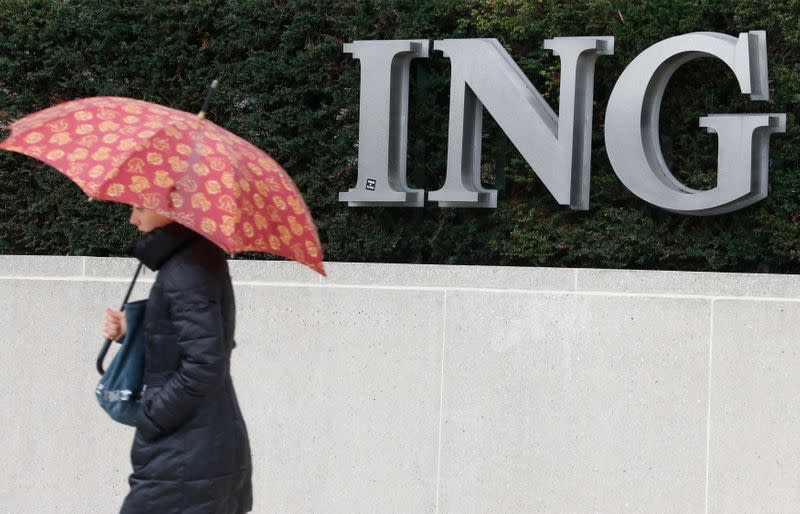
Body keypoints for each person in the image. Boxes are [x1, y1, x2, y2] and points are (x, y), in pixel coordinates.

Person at [103, 206, 253, 514]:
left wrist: (152, 415)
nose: (133, 218)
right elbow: (192, 343)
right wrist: (130, 331)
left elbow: (204, 364)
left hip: (184, 457)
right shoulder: (190, 260)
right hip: (196, 448)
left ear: (170, 206)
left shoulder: (187, 270)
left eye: (140, 207)